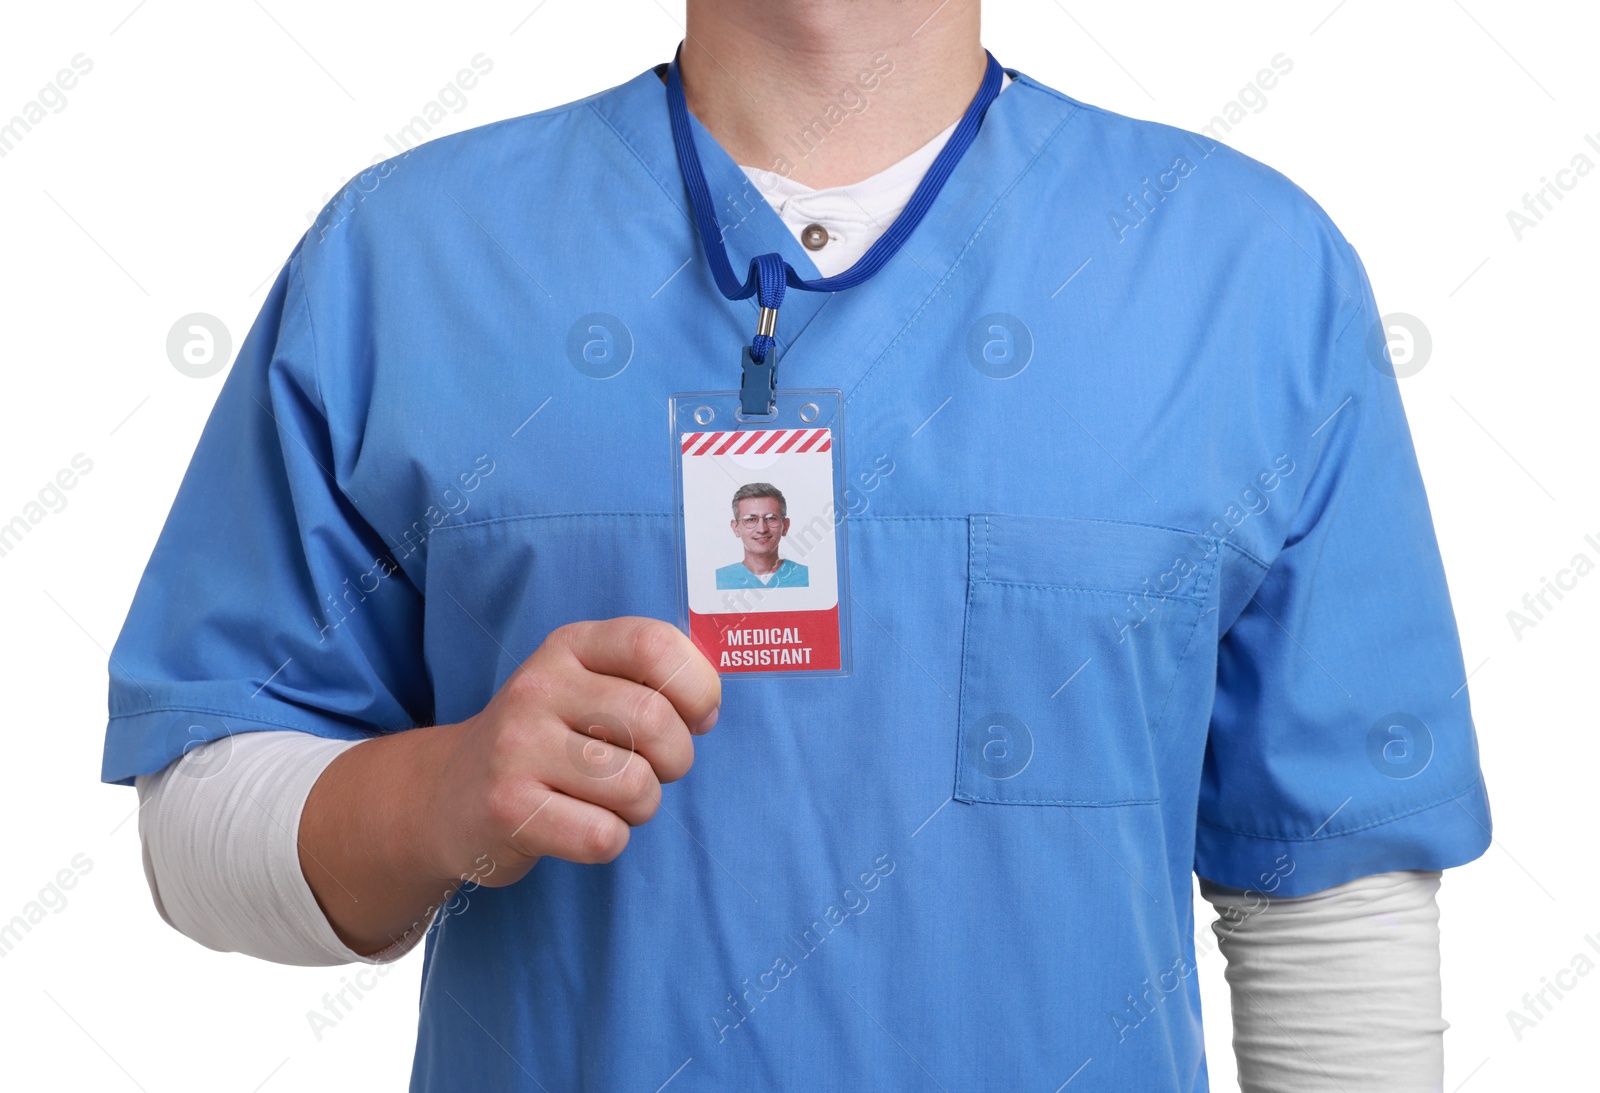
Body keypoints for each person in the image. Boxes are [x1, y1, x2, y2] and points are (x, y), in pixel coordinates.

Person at [105, 2, 1492, 1090]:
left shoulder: (1247, 276)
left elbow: (1329, 889)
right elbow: (196, 809)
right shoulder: (405, 259)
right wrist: (441, 796)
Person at [715, 482, 811, 588]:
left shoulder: (807, 577)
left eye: (771, 518)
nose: (762, 529)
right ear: (735, 528)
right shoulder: (718, 580)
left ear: (785, 526)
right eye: (751, 519)